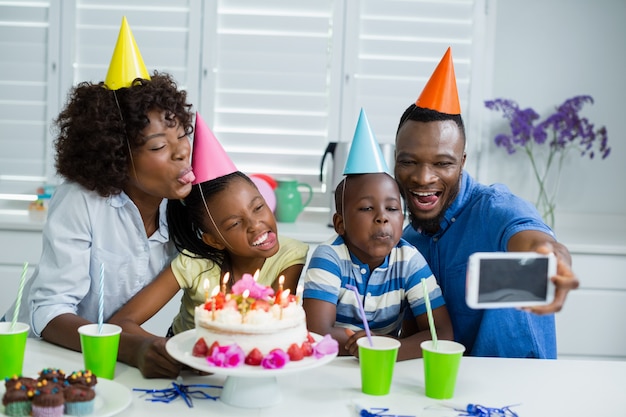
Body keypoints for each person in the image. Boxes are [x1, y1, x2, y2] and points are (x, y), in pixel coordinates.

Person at [1, 18, 196, 377]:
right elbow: (49, 311)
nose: (181, 151)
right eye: (157, 145)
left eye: (183, 132)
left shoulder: (186, 204)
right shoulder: (81, 201)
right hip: (39, 355)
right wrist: (131, 346)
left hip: (106, 359)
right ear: (116, 155)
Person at [394, 47, 579, 358]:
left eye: (442, 163)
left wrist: (551, 259)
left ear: (462, 161)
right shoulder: (407, 241)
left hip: (519, 388)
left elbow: (533, 238)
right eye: (409, 161)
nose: (423, 177)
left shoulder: (496, 210)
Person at [109, 114, 308, 352]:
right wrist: (162, 350)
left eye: (258, 207)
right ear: (213, 240)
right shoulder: (194, 265)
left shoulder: (289, 255)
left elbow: (269, 328)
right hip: (186, 361)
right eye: (235, 223)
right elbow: (121, 322)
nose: (256, 225)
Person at [303, 109, 453, 361]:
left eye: (392, 208)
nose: (382, 217)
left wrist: (381, 347)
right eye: (366, 208)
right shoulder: (329, 257)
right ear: (340, 224)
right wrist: (372, 345)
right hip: (331, 367)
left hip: (386, 366)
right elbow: (316, 333)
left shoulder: (408, 260)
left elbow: (442, 334)